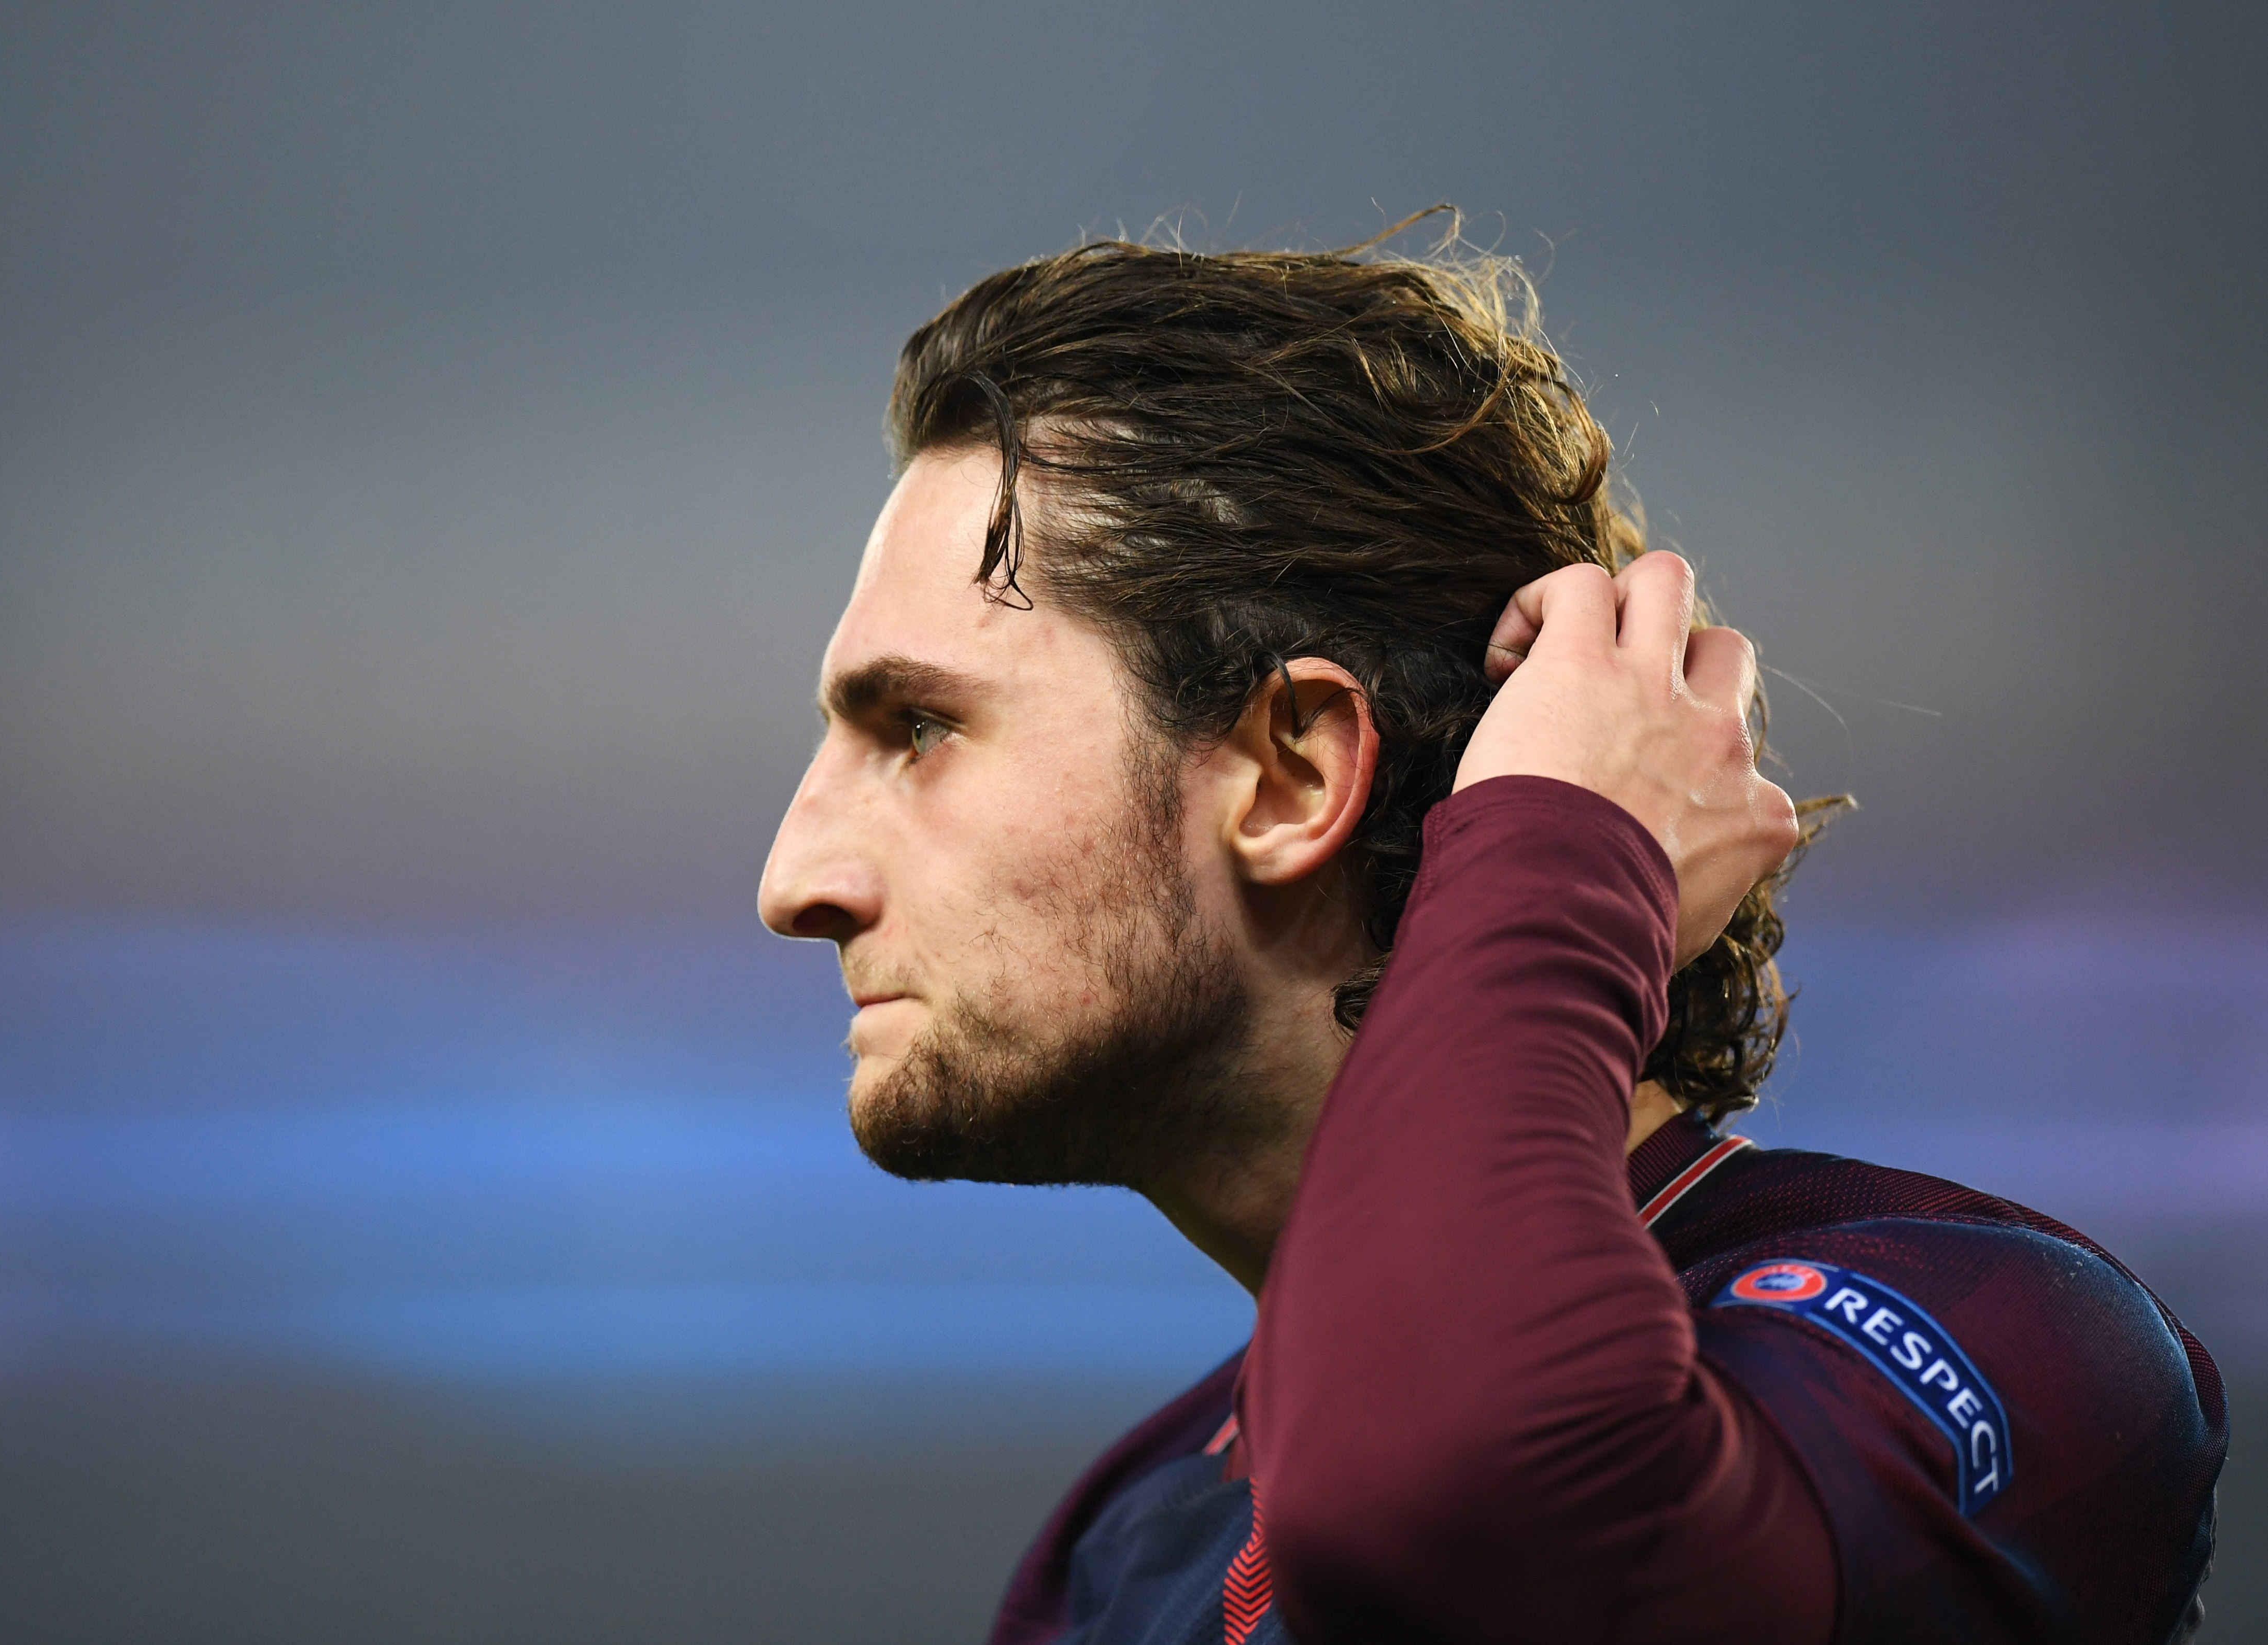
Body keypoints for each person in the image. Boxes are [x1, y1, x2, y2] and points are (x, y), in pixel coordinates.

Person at [755, 226, 2224, 1644]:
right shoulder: (1125, 1536)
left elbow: (1467, 1514)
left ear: (1294, 774)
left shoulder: (1989, 1328)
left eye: (920, 727)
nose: (793, 878)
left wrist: (1561, 845)